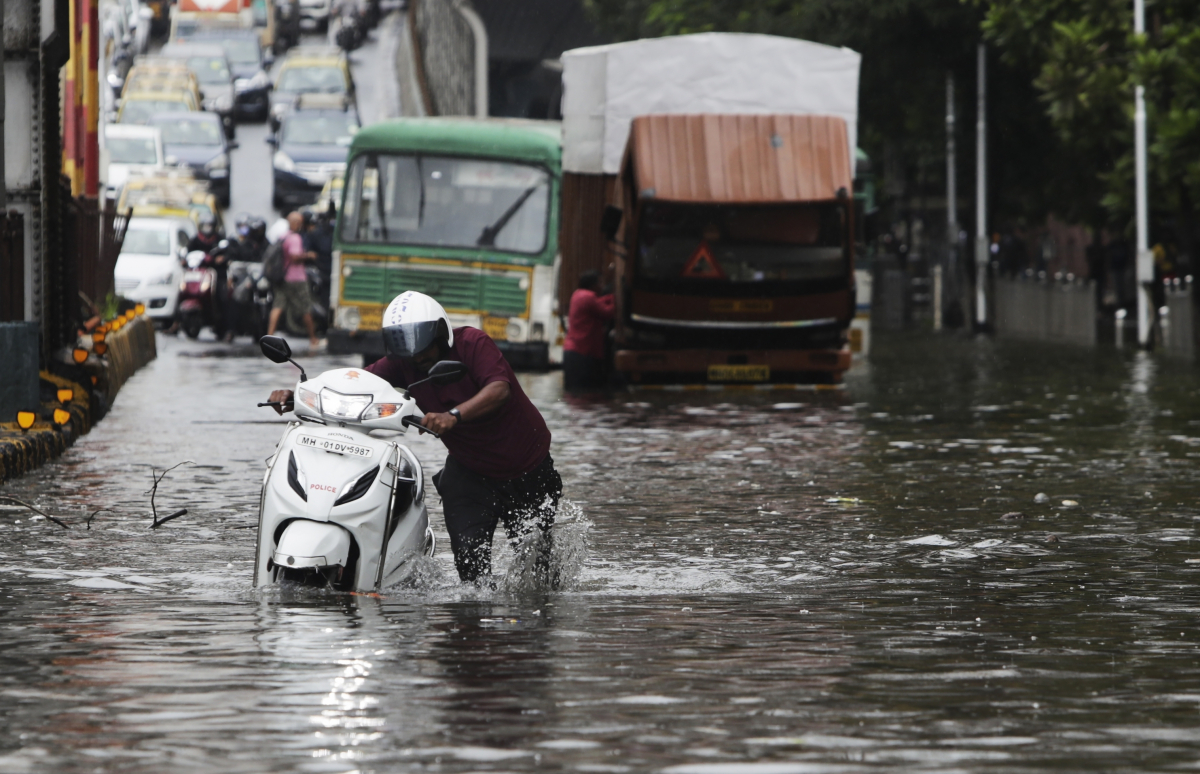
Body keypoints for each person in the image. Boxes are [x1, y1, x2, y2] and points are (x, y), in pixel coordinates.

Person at [266, 291, 562, 586]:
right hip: (471, 471)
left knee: (539, 572)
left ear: (440, 335)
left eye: (423, 349)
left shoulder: (473, 344)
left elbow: (500, 389)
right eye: (406, 349)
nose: (417, 358)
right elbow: (353, 383)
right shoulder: (404, 363)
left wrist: (453, 415)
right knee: (471, 570)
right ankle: (475, 625)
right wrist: (298, 396)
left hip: (527, 467)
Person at [266, 211, 321, 349]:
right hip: (297, 278)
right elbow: (294, 257)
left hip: (282, 277)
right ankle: (313, 338)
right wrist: (308, 255)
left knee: (278, 306)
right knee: (305, 308)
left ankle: (269, 335)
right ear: (296, 223)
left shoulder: (283, 237)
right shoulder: (295, 238)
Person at [562, 270, 614, 391]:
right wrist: (619, 299)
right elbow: (608, 312)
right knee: (586, 392)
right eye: (600, 283)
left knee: (574, 392)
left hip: (572, 351)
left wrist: (610, 297)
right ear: (592, 285)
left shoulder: (577, 294)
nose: (602, 287)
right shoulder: (589, 297)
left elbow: (598, 302)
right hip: (583, 353)